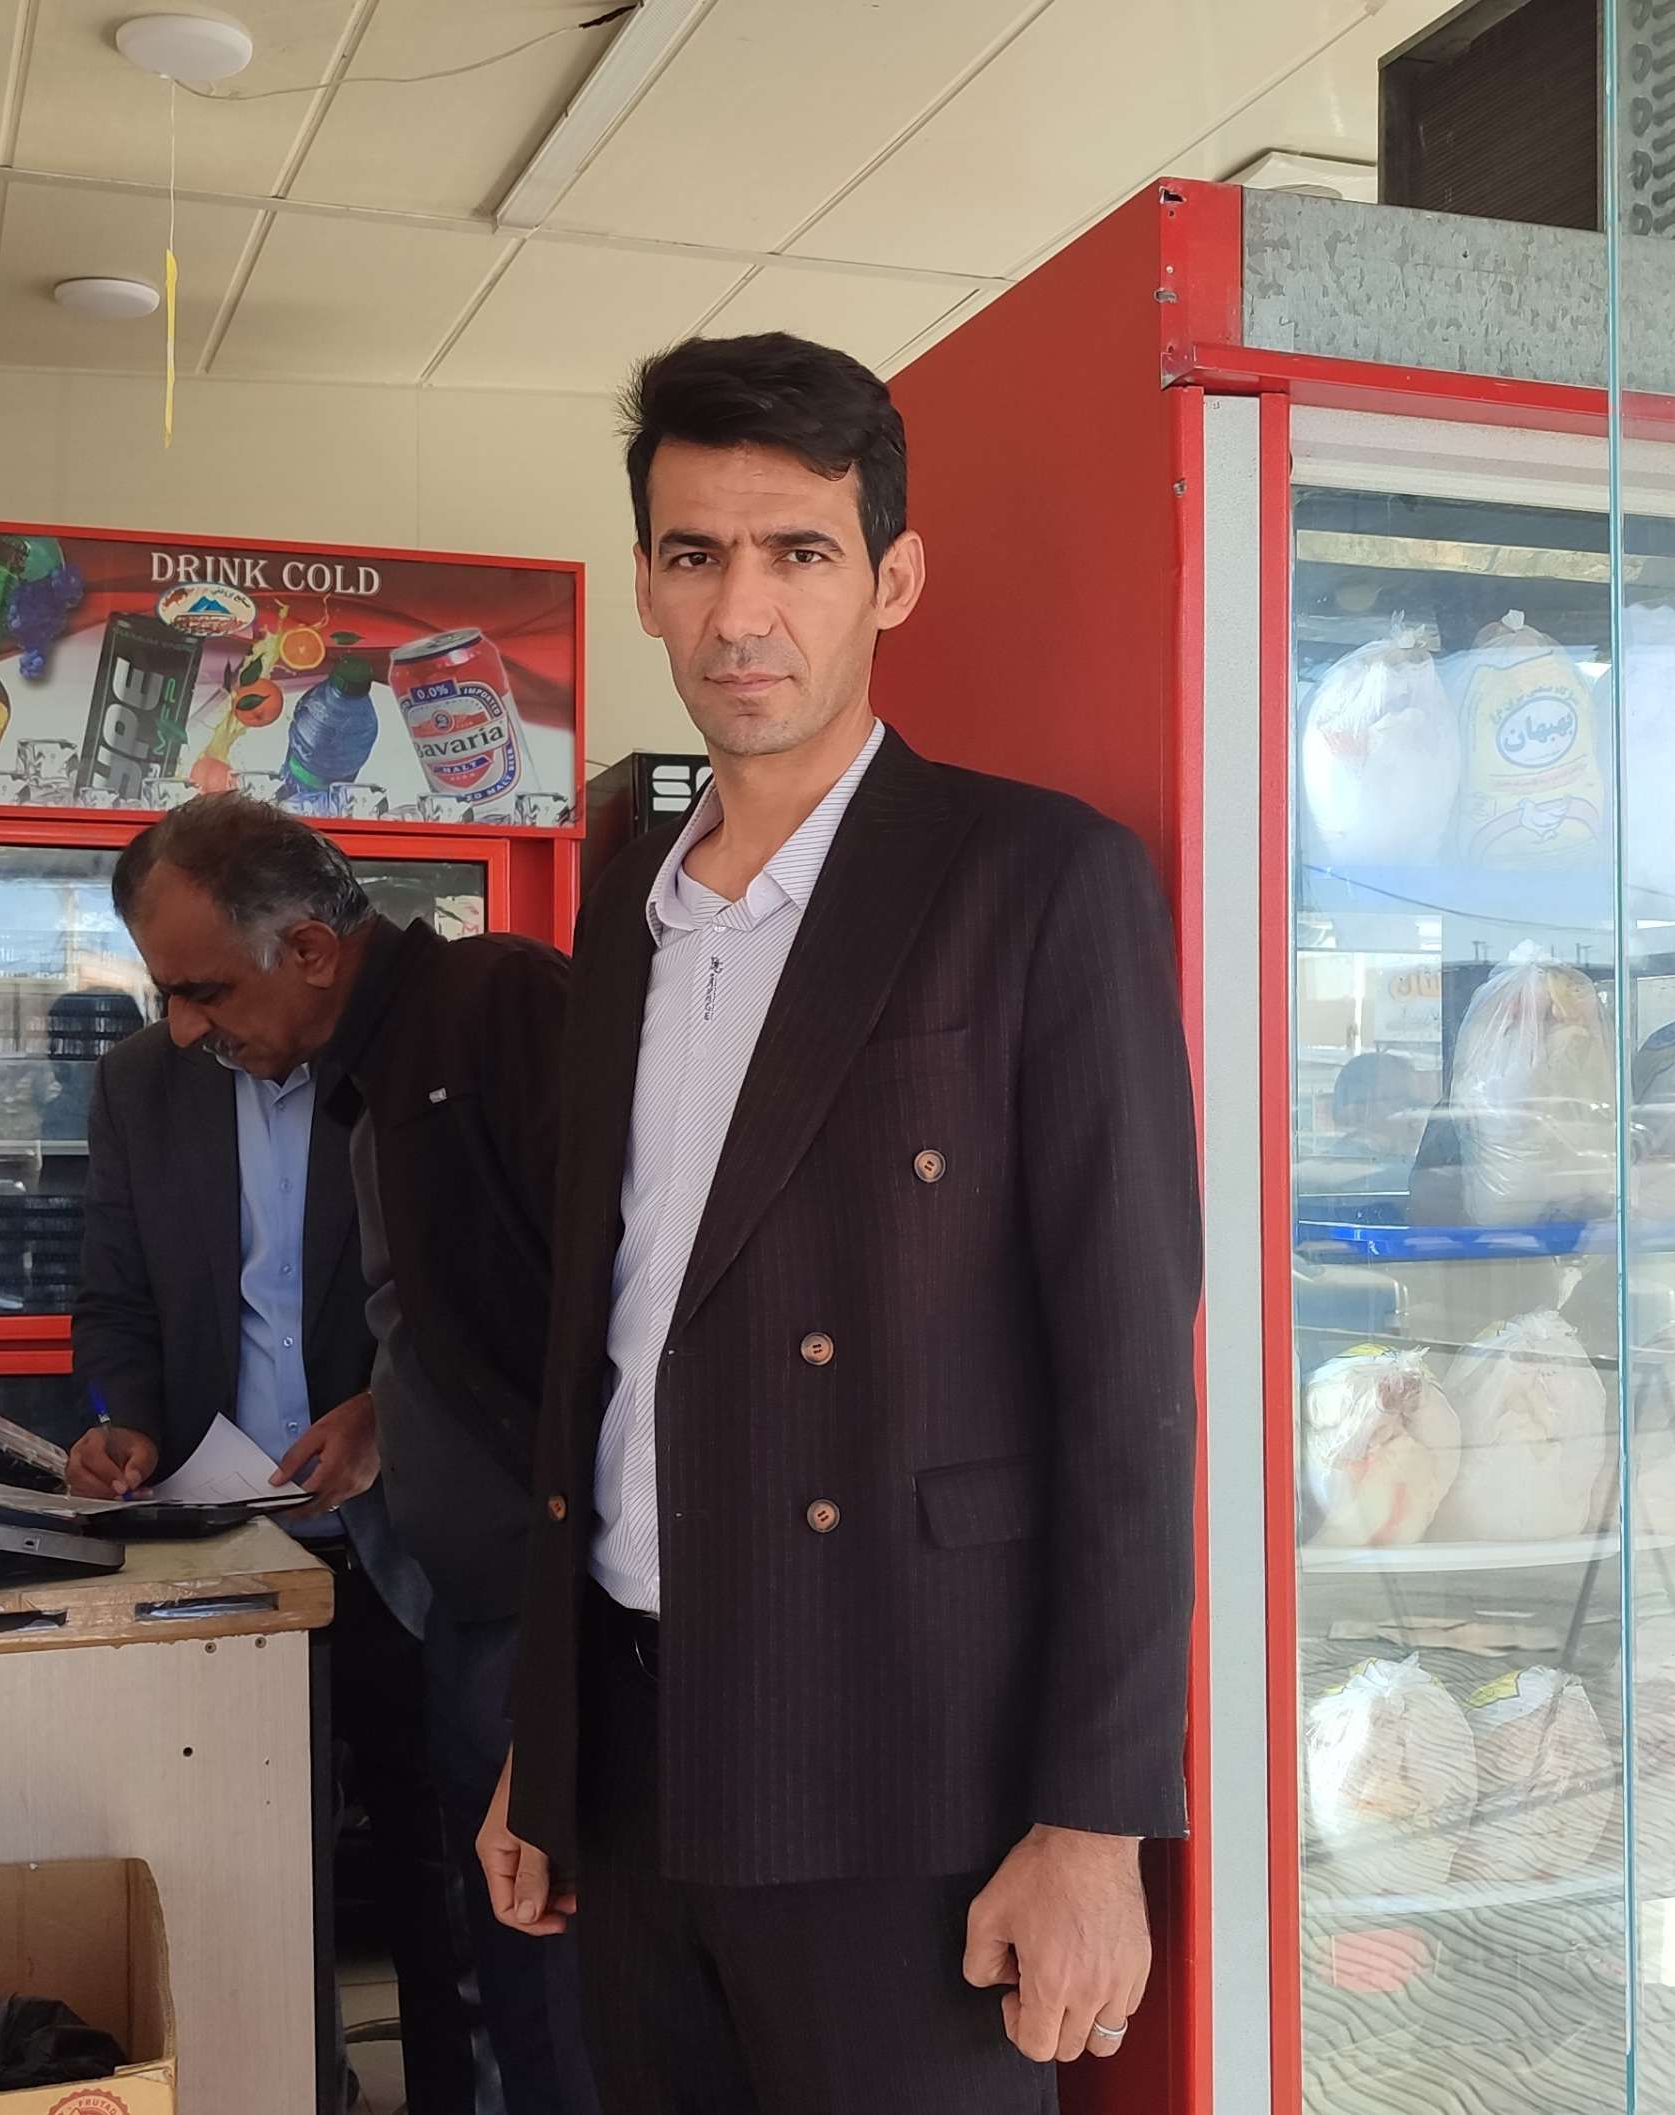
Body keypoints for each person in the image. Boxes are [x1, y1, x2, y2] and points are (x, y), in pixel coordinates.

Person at [477, 331, 1203, 2113]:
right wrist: (546, 1743)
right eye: (695, 554)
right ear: (645, 582)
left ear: (892, 577)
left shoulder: (1034, 881)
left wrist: (1096, 1820)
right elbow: (606, 1335)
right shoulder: (627, 912)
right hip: (636, 1754)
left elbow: (1131, 1383)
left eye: (797, 551)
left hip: (913, 1774)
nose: (743, 612)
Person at [66, 823, 483, 2115]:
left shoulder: (416, 1062)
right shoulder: (141, 1085)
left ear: (301, 953)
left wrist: (383, 1414)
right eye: (164, 993)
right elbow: (114, 1299)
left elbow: (488, 1295)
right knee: (249, 1878)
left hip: (414, 1544)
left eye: (202, 990)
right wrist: (124, 1422)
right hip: (228, 1555)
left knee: (448, 1884)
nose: (184, 1025)